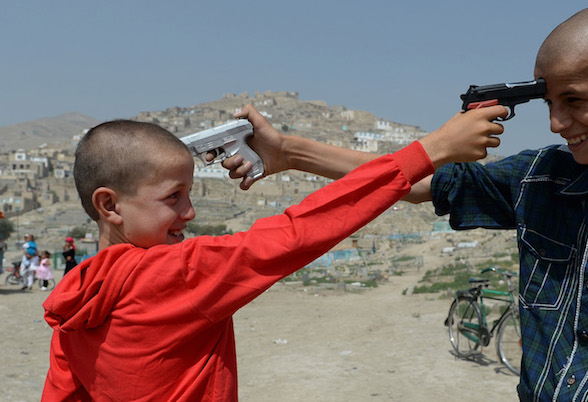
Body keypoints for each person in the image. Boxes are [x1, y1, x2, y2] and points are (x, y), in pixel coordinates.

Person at [223, 6, 588, 400]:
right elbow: (420, 183)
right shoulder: (542, 176)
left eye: (575, 101)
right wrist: (290, 153)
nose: (558, 123)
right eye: (549, 102)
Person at [40, 102, 507, 400]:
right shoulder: (176, 272)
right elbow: (298, 231)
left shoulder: (75, 296)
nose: (190, 212)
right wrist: (431, 149)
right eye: (173, 197)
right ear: (109, 204)